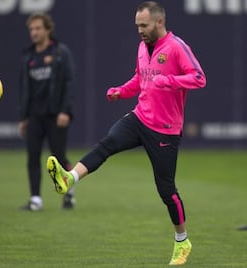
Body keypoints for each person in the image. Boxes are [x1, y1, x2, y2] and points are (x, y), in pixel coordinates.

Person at [46, 1, 206, 265]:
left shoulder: (177, 47)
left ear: (159, 22)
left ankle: (182, 240)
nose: (139, 30)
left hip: (165, 130)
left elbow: (199, 78)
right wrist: (122, 90)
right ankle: (69, 179)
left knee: (167, 191)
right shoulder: (143, 47)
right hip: (140, 117)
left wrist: (171, 81)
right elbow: (140, 80)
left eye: (143, 25)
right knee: (107, 143)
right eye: (137, 26)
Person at [18, 12, 76, 211]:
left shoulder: (60, 53)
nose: (34, 32)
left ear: (48, 30)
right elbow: (24, 87)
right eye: (31, 29)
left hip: (55, 114)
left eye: (38, 28)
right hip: (35, 115)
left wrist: (65, 111)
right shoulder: (28, 56)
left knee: (59, 156)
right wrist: (23, 117)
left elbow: (69, 83)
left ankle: (69, 190)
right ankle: (35, 199)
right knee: (32, 156)